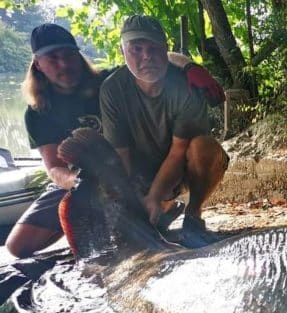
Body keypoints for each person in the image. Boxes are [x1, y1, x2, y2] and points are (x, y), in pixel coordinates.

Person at [5, 23, 224, 258]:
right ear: (37, 63)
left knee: (134, 216)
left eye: (69, 55)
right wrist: (78, 183)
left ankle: (160, 211)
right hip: (82, 180)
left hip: (130, 171)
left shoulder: (107, 82)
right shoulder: (37, 112)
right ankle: (139, 220)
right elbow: (54, 168)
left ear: (78, 55)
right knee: (17, 247)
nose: (64, 64)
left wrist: (190, 67)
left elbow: (151, 58)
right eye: (53, 58)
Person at [100, 15, 229, 248]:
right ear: (122, 52)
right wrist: (130, 202)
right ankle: (157, 214)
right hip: (140, 174)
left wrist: (154, 196)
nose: (146, 56)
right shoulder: (111, 89)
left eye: (153, 48)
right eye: (136, 49)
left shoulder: (186, 86)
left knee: (204, 147)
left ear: (165, 49)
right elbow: (121, 155)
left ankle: (193, 215)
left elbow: (178, 151)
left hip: (179, 168)